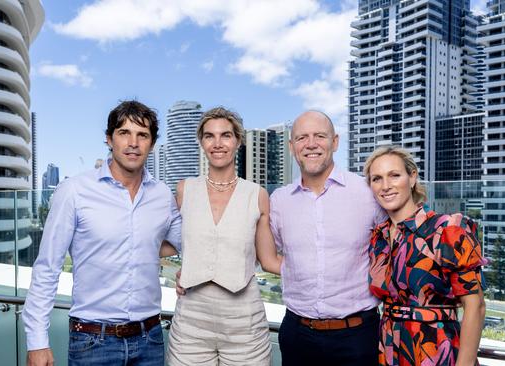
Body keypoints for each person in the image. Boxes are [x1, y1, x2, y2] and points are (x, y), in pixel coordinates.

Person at [22, 100, 181, 366]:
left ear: (152, 144)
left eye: (142, 135)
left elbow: (188, 242)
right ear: (109, 139)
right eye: (124, 133)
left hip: (151, 340)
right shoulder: (74, 190)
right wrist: (37, 341)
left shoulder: (163, 195)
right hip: (94, 342)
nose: (133, 143)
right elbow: (47, 268)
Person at [269, 110, 387, 366]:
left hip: (357, 335)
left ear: (335, 142)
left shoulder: (368, 193)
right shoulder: (279, 200)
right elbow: (269, 255)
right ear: (291, 147)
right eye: (302, 138)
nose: (311, 144)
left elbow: (394, 248)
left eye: (319, 136)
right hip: (297, 334)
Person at [167, 107, 281, 366]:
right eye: (209, 136)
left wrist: (325, 269)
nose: (218, 144)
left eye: (226, 135)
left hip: (244, 321)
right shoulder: (185, 189)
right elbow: (168, 241)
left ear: (238, 141)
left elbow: (269, 261)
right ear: (202, 142)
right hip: (191, 322)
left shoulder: (258, 194)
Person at [364, 145, 487, 366]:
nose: (385, 186)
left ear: (412, 178)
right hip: (388, 351)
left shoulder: (447, 229)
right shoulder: (378, 237)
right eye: (376, 179)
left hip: (436, 351)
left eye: (394, 175)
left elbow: (475, 306)